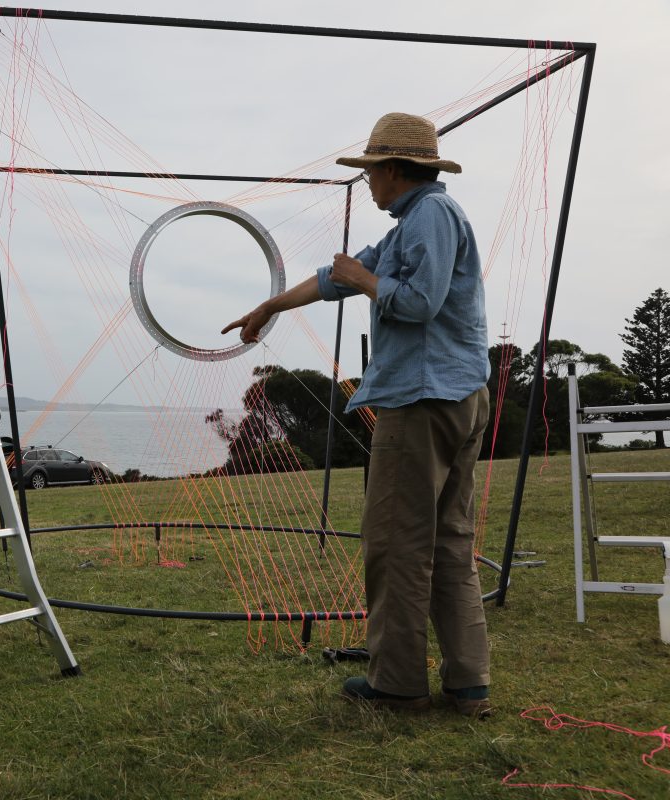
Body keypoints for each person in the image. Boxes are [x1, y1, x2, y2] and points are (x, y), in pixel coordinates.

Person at [223, 112, 492, 718]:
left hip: (421, 402)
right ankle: (468, 684)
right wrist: (270, 305)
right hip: (456, 395)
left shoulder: (430, 216)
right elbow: (333, 279)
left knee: (397, 543)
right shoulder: (413, 222)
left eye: (371, 170)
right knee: (449, 540)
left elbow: (419, 304)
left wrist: (368, 280)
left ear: (395, 169)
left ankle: (397, 684)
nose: (367, 181)